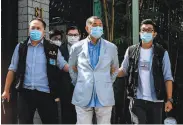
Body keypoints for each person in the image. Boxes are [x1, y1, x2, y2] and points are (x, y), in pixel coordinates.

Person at [1, 18, 69, 124]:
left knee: (50, 122)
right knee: (24, 122)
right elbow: (12, 69)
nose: (35, 30)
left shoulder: (52, 48)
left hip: (46, 94)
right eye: (33, 28)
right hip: (26, 93)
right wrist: (6, 90)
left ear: (43, 31)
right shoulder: (21, 47)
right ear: (29, 30)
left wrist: (79, 68)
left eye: (38, 28)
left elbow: (64, 66)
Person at [118, 19, 173, 124]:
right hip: (137, 99)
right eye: (143, 30)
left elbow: (168, 77)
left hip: (156, 100)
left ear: (154, 34)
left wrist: (169, 99)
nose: (146, 32)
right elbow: (123, 70)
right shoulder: (131, 50)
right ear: (140, 33)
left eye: (149, 30)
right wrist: (110, 71)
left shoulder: (162, 53)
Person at [69, 16, 119, 124]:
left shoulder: (111, 47)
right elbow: (72, 69)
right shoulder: (76, 47)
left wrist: (107, 82)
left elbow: (115, 69)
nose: (98, 27)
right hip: (82, 93)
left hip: (104, 93)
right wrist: (79, 82)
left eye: (100, 25)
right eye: (94, 25)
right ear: (87, 28)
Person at [58, 26, 81, 124]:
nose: (73, 37)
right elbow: (61, 66)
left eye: (75, 35)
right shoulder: (60, 49)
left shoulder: (85, 48)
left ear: (79, 36)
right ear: (66, 36)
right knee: (66, 116)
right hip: (65, 88)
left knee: (81, 115)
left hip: (81, 88)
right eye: (70, 35)